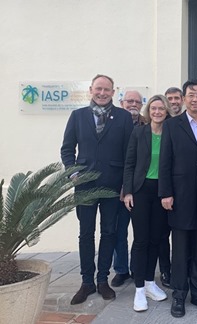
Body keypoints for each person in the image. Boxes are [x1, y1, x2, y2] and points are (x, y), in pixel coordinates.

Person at [60, 74, 134, 305]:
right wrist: (73, 173)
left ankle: (103, 279)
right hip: (85, 185)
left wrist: (126, 184)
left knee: (109, 232)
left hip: (113, 185)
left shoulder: (123, 117)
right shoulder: (78, 116)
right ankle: (87, 282)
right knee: (86, 233)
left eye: (107, 90)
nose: (102, 93)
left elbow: (129, 153)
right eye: (98, 89)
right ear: (91, 90)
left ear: (114, 92)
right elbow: (67, 149)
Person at [158, 79, 197, 318]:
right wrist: (166, 192)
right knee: (180, 249)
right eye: (191, 95)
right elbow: (165, 161)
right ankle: (179, 295)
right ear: (184, 98)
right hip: (179, 197)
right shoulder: (172, 125)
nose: (195, 99)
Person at [123, 95, 172, 311]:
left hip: (163, 192)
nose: (157, 112)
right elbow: (129, 163)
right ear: (148, 110)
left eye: (161, 108)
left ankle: (151, 283)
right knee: (141, 240)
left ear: (166, 111)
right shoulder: (139, 132)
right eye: (154, 108)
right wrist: (128, 192)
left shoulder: (171, 132)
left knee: (156, 239)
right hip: (141, 191)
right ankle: (140, 289)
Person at [111, 90, 146, 288]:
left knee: (141, 233)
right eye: (129, 101)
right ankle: (121, 269)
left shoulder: (147, 124)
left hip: (141, 187)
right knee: (119, 231)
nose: (133, 104)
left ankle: (137, 268)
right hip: (119, 188)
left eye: (137, 101)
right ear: (122, 102)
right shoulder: (114, 123)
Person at [157, 87, 184, 287]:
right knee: (162, 234)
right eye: (170, 99)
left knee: (183, 234)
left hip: (183, 190)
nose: (173, 101)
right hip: (161, 188)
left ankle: (184, 269)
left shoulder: (189, 121)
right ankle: (166, 270)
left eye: (176, 98)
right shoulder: (160, 122)